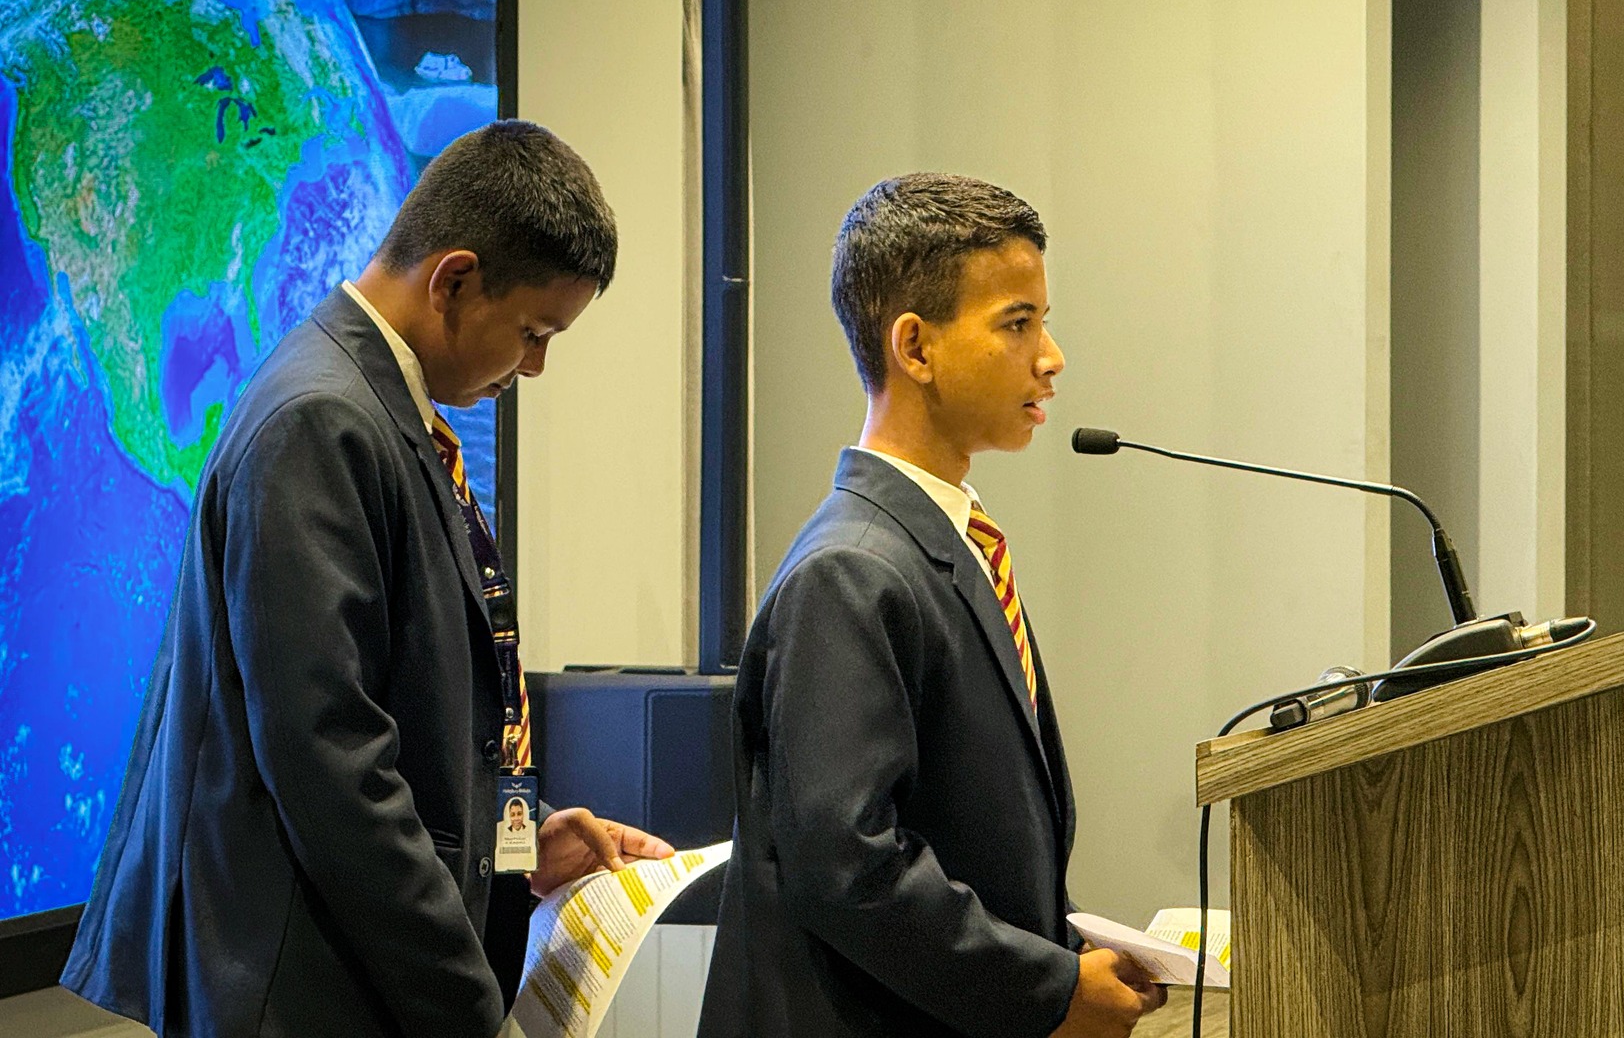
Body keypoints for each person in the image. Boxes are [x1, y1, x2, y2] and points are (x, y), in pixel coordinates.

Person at [62, 121, 672, 1038]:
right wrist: (469, 1008)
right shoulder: (319, 419)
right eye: (534, 332)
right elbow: (333, 763)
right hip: (298, 987)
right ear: (455, 279)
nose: (536, 366)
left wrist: (514, 846)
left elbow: (407, 703)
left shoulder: (377, 408)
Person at [699, 174, 1167, 1038]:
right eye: (1017, 323)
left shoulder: (937, 545)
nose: (1052, 356)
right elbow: (849, 868)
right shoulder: (852, 570)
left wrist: (1064, 952)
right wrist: (1047, 991)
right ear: (914, 347)